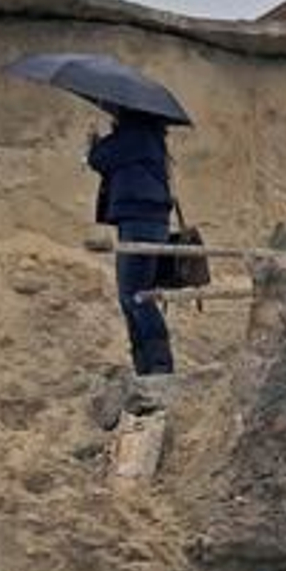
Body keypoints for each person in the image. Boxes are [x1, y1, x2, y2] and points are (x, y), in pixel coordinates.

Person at [87, 109, 175, 375]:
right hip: (146, 221)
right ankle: (147, 365)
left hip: (139, 222)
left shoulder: (135, 135)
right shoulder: (149, 136)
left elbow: (100, 158)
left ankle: (157, 365)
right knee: (133, 295)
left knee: (135, 296)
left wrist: (94, 142)